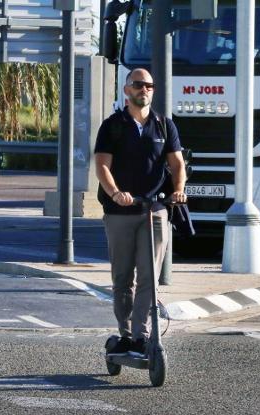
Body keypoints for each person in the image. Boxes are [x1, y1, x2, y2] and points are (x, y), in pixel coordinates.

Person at [94, 68, 187, 356]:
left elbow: (177, 164)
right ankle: (125, 334)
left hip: (155, 208)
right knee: (123, 278)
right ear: (127, 90)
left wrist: (179, 189)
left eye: (149, 85)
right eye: (138, 85)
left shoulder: (163, 125)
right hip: (120, 211)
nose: (144, 90)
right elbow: (102, 166)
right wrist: (115, 193)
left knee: (149, 276)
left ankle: (141, 335)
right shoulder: (113, 126)